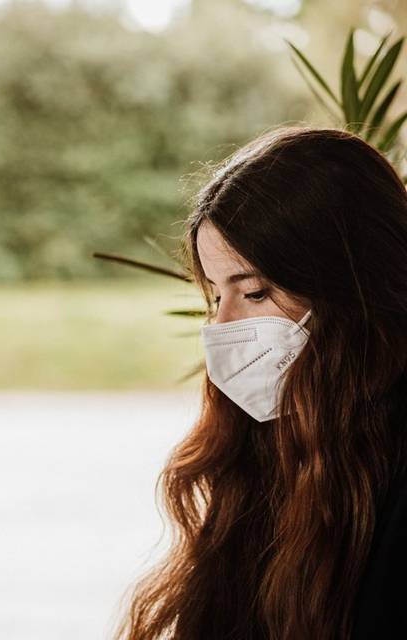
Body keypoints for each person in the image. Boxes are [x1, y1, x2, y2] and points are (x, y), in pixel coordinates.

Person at [120, 128, 407, 639]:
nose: (222, 328)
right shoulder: (260, 445)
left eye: (253, 292)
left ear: (351, 288)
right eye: (214, 297)